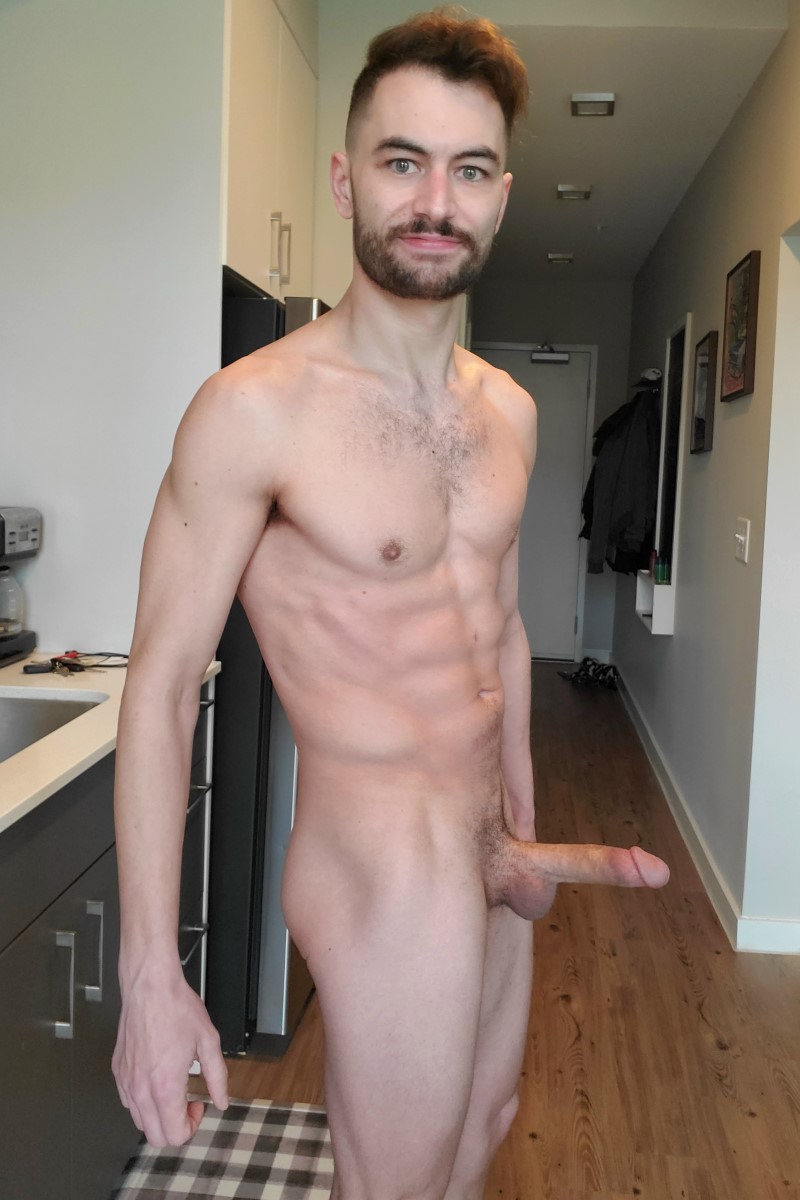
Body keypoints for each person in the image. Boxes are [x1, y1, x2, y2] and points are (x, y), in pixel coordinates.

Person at [112, 10, 669, 1199]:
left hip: (484, 842)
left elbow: (498, 630)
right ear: (344, 179)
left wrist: (519, 826)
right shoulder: (253, 411)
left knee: (483, 1127)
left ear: (499, 197)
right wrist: (151, 972)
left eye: (466, 170)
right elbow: (158, 687)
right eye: (401, 161)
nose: (433, 201)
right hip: (380, 860)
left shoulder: (508, 413)